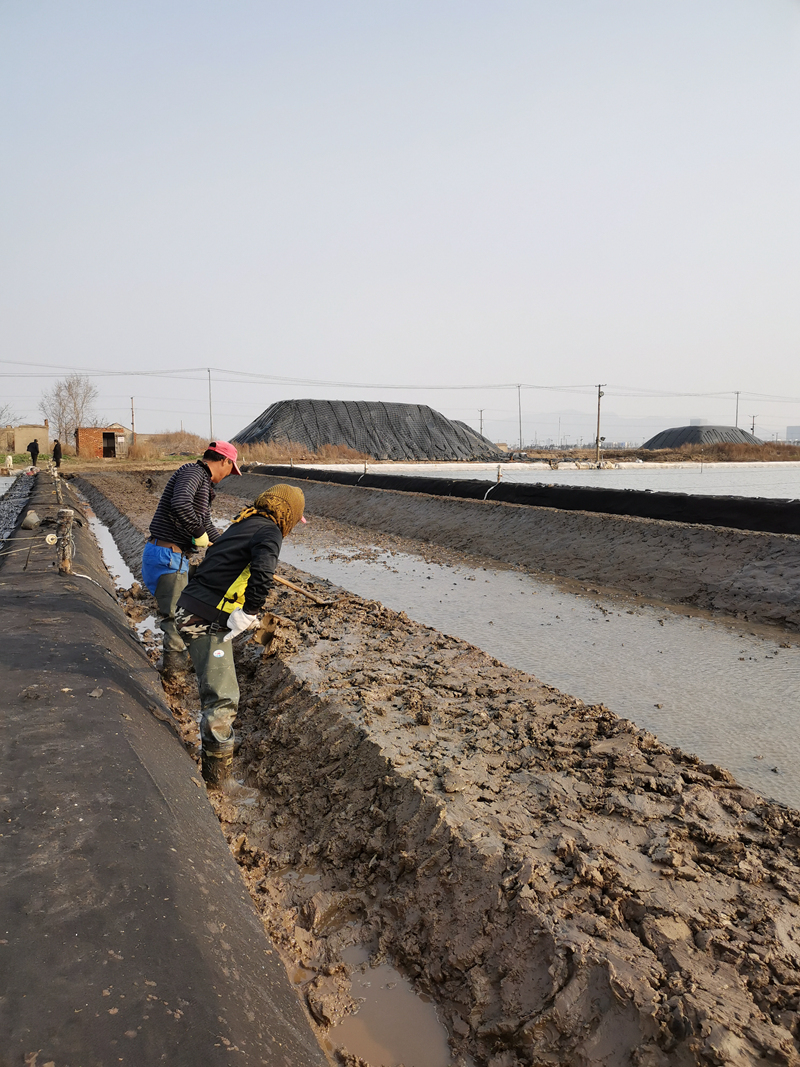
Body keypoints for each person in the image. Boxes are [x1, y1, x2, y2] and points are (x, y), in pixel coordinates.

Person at [174, 484, 306, 786]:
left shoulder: (244, 522)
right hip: (204, 619)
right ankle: (218, 782)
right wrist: (249, 611)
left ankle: (217, 761)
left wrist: (243, 612)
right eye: (295, 519)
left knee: (217, 685)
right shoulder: (269, 531)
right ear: (288, 513)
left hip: (193, 607)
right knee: (223, 699)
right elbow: (263, 572)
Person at [141, 441, 241, 678]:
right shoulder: (193, 472)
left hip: (170, 555)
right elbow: (181, 503)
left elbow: (205, 523)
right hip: (168, 555)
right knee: (174, 616)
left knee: (178, 612)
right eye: (231, 469)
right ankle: (174, 672)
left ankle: (177, 662)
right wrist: (198, 532)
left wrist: (226, 546)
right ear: (224, 461)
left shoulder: (202, 482)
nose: (229, 474)